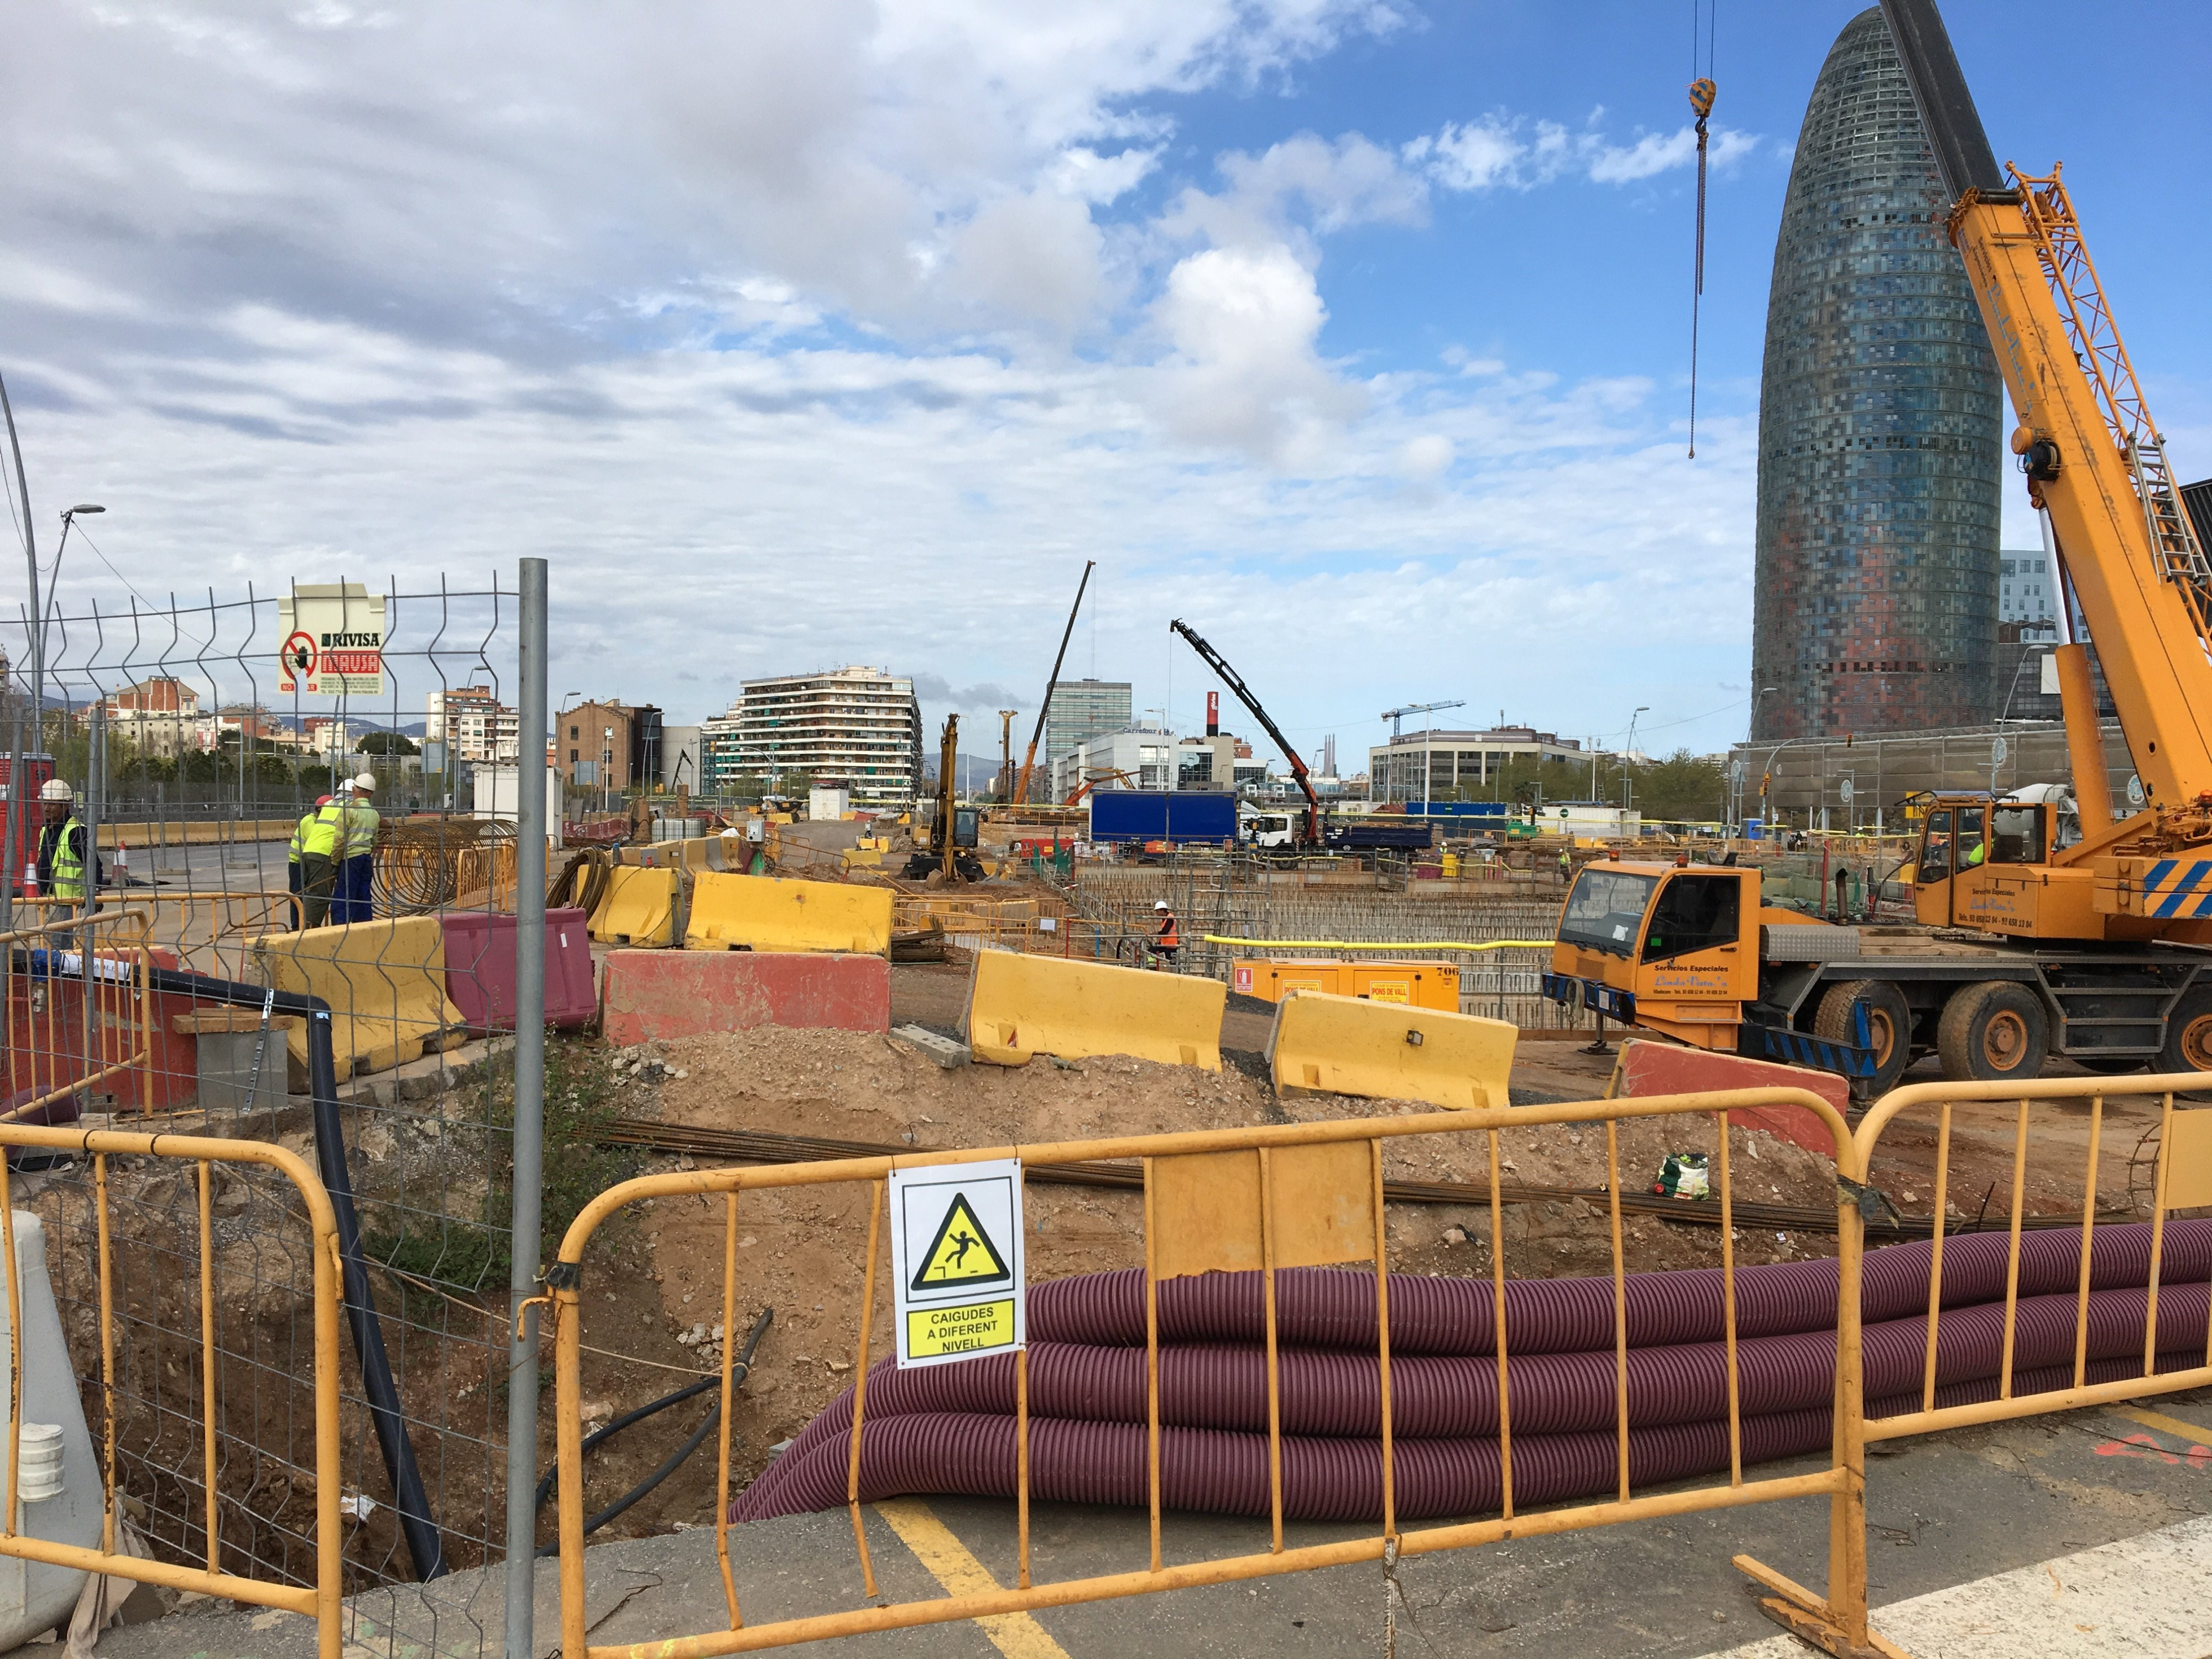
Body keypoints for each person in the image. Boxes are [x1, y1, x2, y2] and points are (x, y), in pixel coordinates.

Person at [35, 779, 101, 935]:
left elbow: (94, 864)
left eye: (52, 804)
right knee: (51, 947)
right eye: (44, 803)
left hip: (72, 903)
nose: (46, 808)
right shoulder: (46, 831)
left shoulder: (75, 833)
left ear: (65, 805)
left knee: (62, 949)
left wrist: (96, 893)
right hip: (51, 900)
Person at [296, 791, 347, 929]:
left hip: (308, 852)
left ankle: (303, 925)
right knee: (319, 895)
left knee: (309, 893)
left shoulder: (329, 805)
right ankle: (309, 929)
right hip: (324, 854)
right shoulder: (349, 806)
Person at [335, 772, 380, 924]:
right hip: (366, 859)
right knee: (363, 898)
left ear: (354, 790)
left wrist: (334, 862)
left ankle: (339, 932)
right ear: (371, 794)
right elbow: (374, 840)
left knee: (343, 899)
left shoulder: (349, 810)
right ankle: (364, 930)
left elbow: (340, 840)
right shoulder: (374, 814)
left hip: (351, 860)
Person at [288, 794, 332, 930]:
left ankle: (302, 923)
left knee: (305, 894)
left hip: (304, 862)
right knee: (298, 895)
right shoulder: (310, 822)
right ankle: (297, 925)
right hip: (297, 863)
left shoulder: (316, 821)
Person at [1152, 898, 1178, 964]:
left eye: (1157, 911)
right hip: (1166, 944)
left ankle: (1175, 974)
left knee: (1173, 964)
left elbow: (1165, 932)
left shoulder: (1170, 918)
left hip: (1171, 945)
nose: (1156, 913)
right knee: (1152, 950)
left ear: (1162, 910)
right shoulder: (1165, 919)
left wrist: (1152, 934)